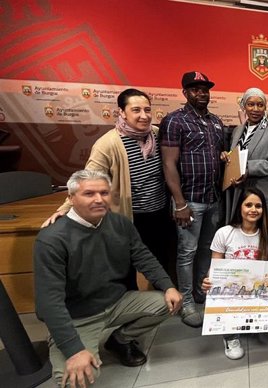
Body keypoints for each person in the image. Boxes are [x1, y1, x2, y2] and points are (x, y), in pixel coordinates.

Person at [34, 170, 182, 388]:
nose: (98, 199)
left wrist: (168, 286)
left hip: (116, 303)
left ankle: (120, 340)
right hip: (77, 317)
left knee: (167, 302)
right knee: (74, 381)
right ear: (71, 198)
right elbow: (50, 303)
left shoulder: (120, 224)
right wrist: (74, 350)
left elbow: (144, 257)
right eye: (89, 193)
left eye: (104, 192)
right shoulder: (52, 239)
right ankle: (68, 346)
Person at [42, 88, 177, 284]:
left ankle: (164, 304)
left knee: (161, 263)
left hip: (159, 214)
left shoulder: (157, 134)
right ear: (122, 112)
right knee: (125, 267)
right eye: (136, 110)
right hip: (128, 218)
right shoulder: (107, 144)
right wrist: (65, 208)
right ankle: (128, 308)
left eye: (147, 110)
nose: (144, 116)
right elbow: (88, 180)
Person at [160, 71, 225, 327]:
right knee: (187, 252)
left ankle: (201, 291)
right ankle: (187, 302)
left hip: (213, 199)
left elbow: (222, 157)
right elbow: (168, 163)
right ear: (185, 92)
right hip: (190, 200)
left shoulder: (215, 122)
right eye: (196, 89)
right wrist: (179, 203)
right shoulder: (174, 121)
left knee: (207, 250)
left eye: (205, 88)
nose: (202, 93)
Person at [201, 188, 268, 360]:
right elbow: (215, 267)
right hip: (233, 289)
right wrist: (209, 281)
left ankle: (251, 320)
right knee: (223, 292)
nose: (253, 209)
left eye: (258, 206)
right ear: (240, 207)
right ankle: (230, 337)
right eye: (248, 205)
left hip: (259, 286)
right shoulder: (224, 233)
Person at [226, 87, 268, 226]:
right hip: (239, 192)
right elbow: (236, 156)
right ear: (244, 106)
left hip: (262, 194)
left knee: (262, 238)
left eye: (260, 105)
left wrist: (248, 168)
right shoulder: (238, 130)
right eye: (250, 104)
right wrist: (228, 157)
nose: (255, 109)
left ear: (265, 107)